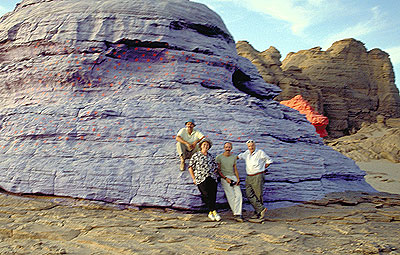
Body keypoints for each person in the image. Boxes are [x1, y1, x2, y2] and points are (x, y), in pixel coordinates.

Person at [237, 140, 273, 221]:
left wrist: (262, 168)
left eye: (252, 145)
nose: (251, 147)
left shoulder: (260, 152)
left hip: (258, 175)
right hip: (249, 176)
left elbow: (269, 160)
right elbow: (238, 157)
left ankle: (259, 214)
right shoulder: (246, 153)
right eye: (249, 146)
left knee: (258, 194)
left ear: (255, 145)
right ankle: (261, 209)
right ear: (247, 146)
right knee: (249, 194)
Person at [188, 139, 221, 221]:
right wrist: (194, 178)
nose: (206, 146)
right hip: (201, 178)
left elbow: (216, 166)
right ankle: (212, 211)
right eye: (204, 145)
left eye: (207, 145)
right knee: (205, 194)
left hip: (212, 177)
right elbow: (190, 167)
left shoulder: (211, 156)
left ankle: (212, 212)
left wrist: (215, 171)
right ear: (201, 146)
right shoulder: (196, 155)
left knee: (213, 195)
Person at [216, 142, 243, 222]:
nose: (228, 148)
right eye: (226, 147)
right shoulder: (219, 157)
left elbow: (235, 169)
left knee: (239, 195)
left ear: (231, 148)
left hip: (233, 177)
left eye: (229, 147)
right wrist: (225, 178)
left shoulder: (233, 157)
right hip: (225, 178)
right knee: (231, 195)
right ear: (224, 148)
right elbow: (218, 170)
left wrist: (238, 178)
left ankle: (237, 213)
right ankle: (237, 214)